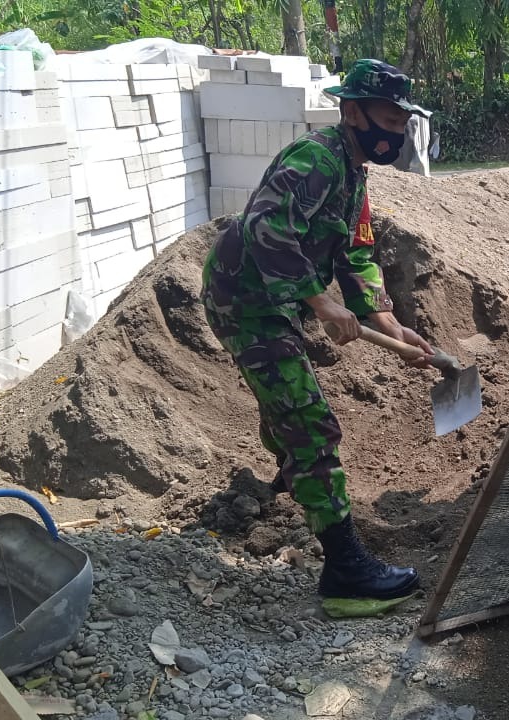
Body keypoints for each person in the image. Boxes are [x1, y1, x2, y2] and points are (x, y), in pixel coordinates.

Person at [201, 59, 434, 617]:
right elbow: (265, 226)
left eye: (402, 121)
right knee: (308, 420)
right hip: (246, 301)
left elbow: (355, 250)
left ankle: (294, 477)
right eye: (387, 118)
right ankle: (345, 572)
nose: (396, 132)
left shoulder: (356, 175)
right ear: (352, 113)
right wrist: (320, 301)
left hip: (275, 300)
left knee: (287, 405)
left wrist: (383, 316)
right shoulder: (317, 160)